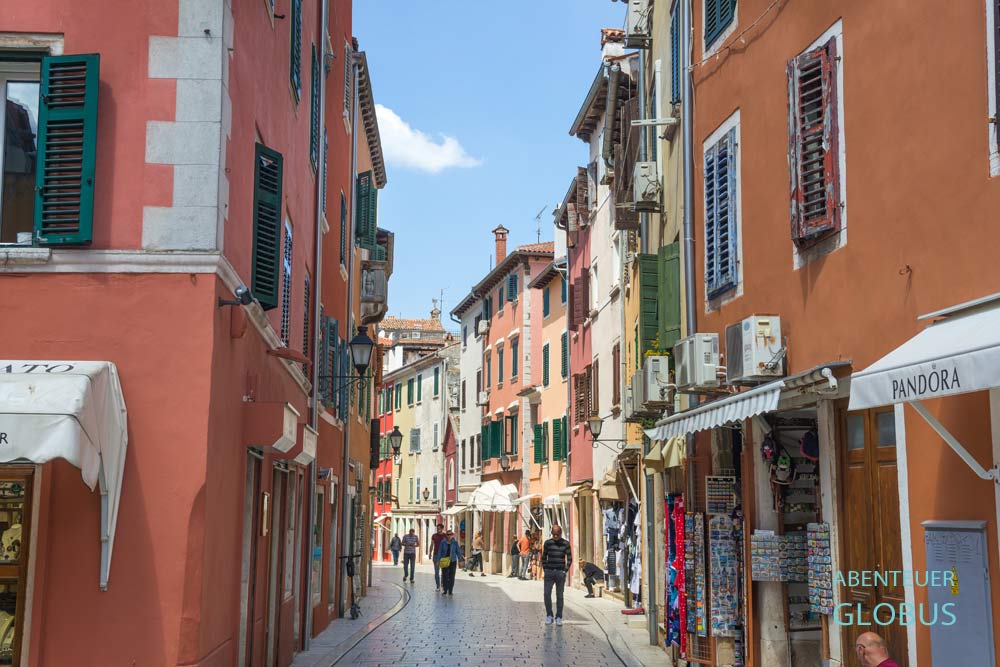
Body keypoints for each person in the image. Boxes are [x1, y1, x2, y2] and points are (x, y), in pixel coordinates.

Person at [541, 525, 573, 626]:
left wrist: (565, 571)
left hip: (560, 573)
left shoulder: (566, 544)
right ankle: (549, 615)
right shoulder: (548, 543)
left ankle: (559, 616)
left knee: (559, 596)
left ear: (560, 533)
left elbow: (569, 558)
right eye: (554, 534)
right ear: (551, 533)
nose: (555, 536)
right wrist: (545, 569)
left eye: (557, 535)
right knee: (546, 594)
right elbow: (543, 557)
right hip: (549, 572)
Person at [437, 529, 464, 595]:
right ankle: (445, 590)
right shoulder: (443, 542)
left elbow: (458, 552)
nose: (449, 536)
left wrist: (460, 560)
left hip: (452, 561)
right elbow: (440, 552)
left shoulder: (455, 543)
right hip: (445, 561)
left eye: (450, 534)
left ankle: (450, 590)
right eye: (448, 535)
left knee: (452, 576)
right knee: (444, 575)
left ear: (452, 535)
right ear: (446, 535)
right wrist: (438, 560)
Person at [429, 523, 447, 591]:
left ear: (442, 529)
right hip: (436, 555)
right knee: (436, 572)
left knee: (443, 571)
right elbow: (432, 544)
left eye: (439, 528)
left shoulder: (445, 536)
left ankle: (442, 584)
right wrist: (430, 553)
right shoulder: (434, 536)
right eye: (437, 528)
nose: (438, 530)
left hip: (443, 555)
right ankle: (438, 586)